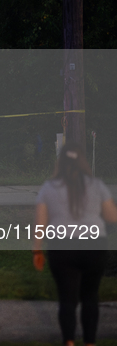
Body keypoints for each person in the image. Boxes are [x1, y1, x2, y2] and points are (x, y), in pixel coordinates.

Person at [33, 142, 117, 346]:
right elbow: (110, 216)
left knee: (67, 298)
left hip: (62, 247)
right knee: (90, 296)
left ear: (59, 162)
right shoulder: (96, 185)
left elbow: (40, 224)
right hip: (94, 246)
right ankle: (90, 342)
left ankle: (69, 342)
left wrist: (37, 251)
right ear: (82, 161)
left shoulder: (48, 188)